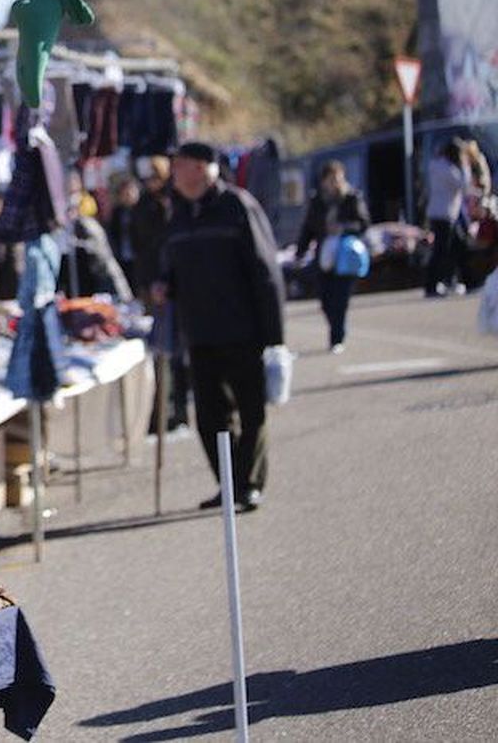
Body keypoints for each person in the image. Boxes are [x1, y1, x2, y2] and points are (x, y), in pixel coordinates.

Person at [154, 142, 285, 512]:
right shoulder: (178, 214)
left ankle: (249, 484)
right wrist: (165, 284)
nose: (173, 173)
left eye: (178, 165)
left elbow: (266, 271)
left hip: (243, 330)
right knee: (210, 418)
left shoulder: (237, 206)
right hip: (199, 332)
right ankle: (228, 484)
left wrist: (274, 336)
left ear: (200, 168)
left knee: (252, 411)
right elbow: (173, 266)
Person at [132, 155, 189, 432]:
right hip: (150, 282)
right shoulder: (143, 205)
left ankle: (179, 410)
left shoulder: (173, 203)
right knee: (157, 352)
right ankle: (157, 414)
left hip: (172, 285)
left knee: (175, 353)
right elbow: (138, 245)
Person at [295, 160, 370, 353]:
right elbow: (308, 228)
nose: (335, 183)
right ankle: (335, 329)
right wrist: (300, 251)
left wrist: (343, 227)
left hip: (346, 255)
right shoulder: (317, 201)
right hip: (324, 256)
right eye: (331, 179)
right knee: (326, 300)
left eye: (338, 178)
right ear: (324, 181)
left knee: (341, 299)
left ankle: (337, 338)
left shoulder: (352, 197)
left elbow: (363, 223)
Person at [424, 141, 469, 298]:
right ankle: (434, 285)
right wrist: (465, 165)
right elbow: (464, 185)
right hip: (446, 214)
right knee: (442, 250)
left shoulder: (435, 166)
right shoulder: (449, 169)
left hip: (438, 213)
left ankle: (453, 280)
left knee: (456, 245)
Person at [107, 175, 141, 289]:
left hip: (139, 256)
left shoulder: (142, 209)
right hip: (123, 255)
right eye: (124, 192)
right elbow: (113, 233)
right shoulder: (118, 213)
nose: (128, 195)